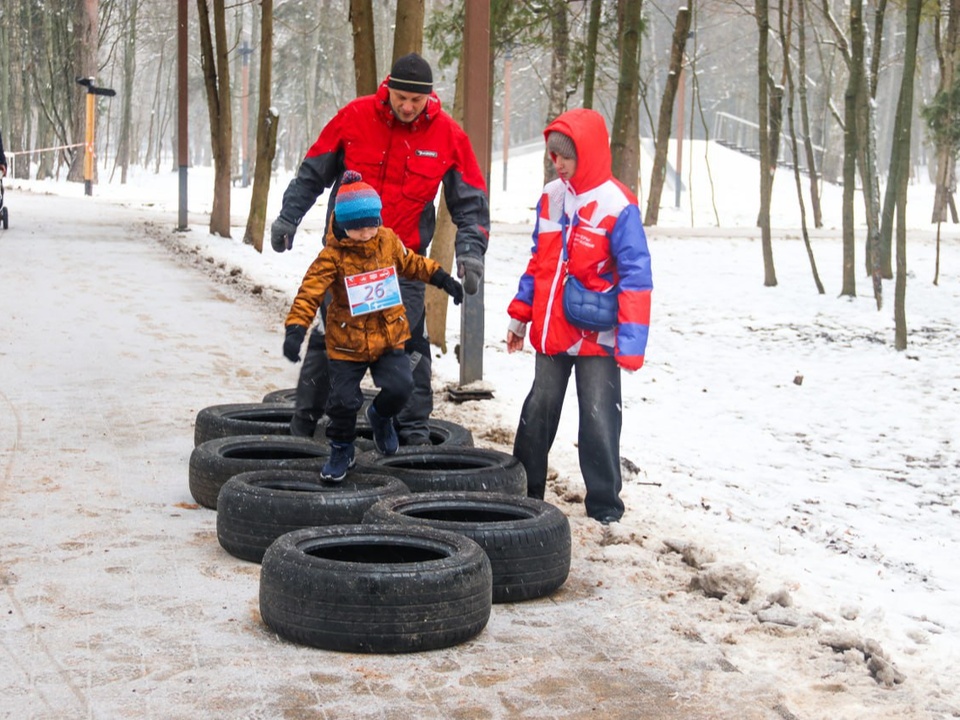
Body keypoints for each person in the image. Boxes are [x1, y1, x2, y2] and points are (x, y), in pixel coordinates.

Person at [271, 52, 490, 445]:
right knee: (329, 343)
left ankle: (414, 436)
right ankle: (303, 431)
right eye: (400, 97)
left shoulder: (448, 136)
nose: (406, 107)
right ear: (387, 88)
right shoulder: (354, 117)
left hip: (399, 263)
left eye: (415, 101)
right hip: (344, 260)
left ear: (429, 98)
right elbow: (312, 172)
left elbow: (470, 202)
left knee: (407, 347)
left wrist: (470, 252)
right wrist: (289, 217)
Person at [505, 109, 653, 525]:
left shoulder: (617, 204)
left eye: (566, 156)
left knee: (599, 417)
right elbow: (539, 262)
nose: (559, 164)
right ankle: (524, 491)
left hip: (597, 335)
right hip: (553, 330)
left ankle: (605, 507)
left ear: (587, 154)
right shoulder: (551, 196)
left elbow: (637, 276)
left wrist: (631, 342)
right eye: (554, 156)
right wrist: (520, 316)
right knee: (539, 408)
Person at [283, 171, 465, 481]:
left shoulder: (388, 241)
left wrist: (442, 279)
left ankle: (380, 416)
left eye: (372, 225)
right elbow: (309, 292)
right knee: (342, 402)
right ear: (343, 225)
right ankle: (341, 448)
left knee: (401, 387)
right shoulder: (331, 257)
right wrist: (295, 330)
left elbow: (413, 263)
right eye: (358, 228)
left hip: (387, 336)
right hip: (346, 343)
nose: (367, 233)